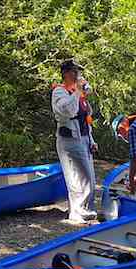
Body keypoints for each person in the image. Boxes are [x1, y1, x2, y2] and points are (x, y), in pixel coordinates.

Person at [52, 59, 97, 224]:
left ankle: (84, 210)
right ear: (66, 74)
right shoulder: (59, 92)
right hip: (69, 140)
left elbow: (85, 118)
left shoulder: (77, 93)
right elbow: (69, 112)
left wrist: (91, 139)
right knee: (78, 177)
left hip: (84, 138)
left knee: (89, 177)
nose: (78, 75)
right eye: (74, 72)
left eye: (78, 71)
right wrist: (77, 91)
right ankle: (78, 212)